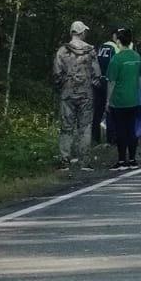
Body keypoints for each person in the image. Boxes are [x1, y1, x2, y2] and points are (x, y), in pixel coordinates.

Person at [52, 21, 102, 171]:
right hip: (86, 93)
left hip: (67, 93)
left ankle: (64, 161)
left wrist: (62, 86)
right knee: (85, 127)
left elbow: (56, 73)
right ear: (81, 33)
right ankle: (84, 162)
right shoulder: (90, 50)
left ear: (72, 32)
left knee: (66, 127)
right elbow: (97, 74)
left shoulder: (62, 51)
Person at [106, 28, 141, 169]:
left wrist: (107, 100)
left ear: (118, 41)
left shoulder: (116, 59)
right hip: (133, 99)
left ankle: (122, 160)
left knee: (121, 130)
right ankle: (132, 159)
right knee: (132, 130)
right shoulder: (137, 57)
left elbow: (111, 81)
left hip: (119, 100)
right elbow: (139, 79)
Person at [92, 27, 119, 145]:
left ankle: (95, 138)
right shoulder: (116, 48)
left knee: (98, 111)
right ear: (114, 36)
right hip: (109, 81)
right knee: (110, 110)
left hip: (99, 82)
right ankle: (111, 138)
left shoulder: (102, 46)